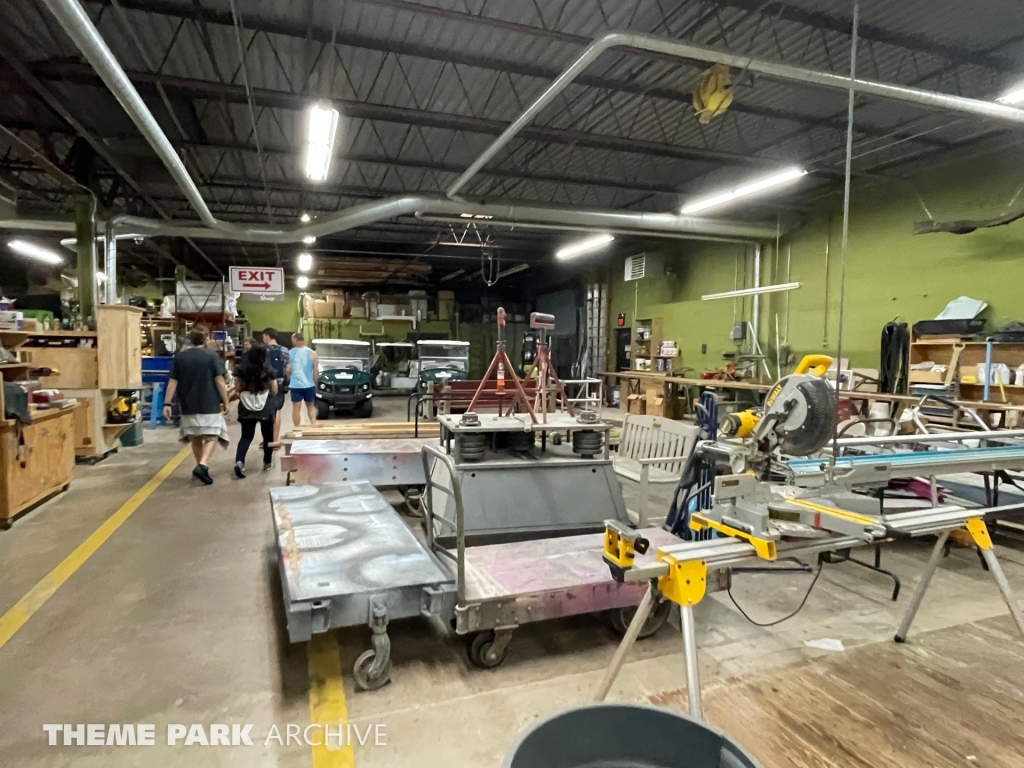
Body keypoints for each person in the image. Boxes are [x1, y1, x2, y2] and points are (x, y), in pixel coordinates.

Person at [164, 327, 230, 484]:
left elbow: (173, 382)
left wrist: (167, 403)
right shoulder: (212, 356)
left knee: (195, 437)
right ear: (206, 339)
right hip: (209, 403)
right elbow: (220, 381)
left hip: (187, 404)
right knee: (213, 435)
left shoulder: (180, 357)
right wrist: (226, 401)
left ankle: (200, 467)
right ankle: (202, 464)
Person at [233, 342, 279, 477]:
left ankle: (239, 461)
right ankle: (267, 462)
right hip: (265, 406)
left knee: (246, 436)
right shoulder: (268, 370)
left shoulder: (241, 369)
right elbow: (274, 389)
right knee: (267, 436)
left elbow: (237, 388)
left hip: (246, 406)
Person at [286, 332, 320, 428]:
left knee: (296, 408)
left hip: (295, 385)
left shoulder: (290, 353)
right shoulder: (312, 353)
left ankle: (297, 427)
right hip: (309, 385)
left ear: (295, 340)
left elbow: (288, 370)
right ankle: (313, 423)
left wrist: (288, 379)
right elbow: (316, 371)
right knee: (310, 405)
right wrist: (315, 382)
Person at [262, 327, 289, 445]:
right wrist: (286, 380)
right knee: (277, 410)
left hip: (264, 383)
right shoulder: (284, 350)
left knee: (265, 411)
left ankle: (266, 440)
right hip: (279, 381)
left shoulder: (262, 350)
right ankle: (275, 439)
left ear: (267, 336)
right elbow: (288, 368)